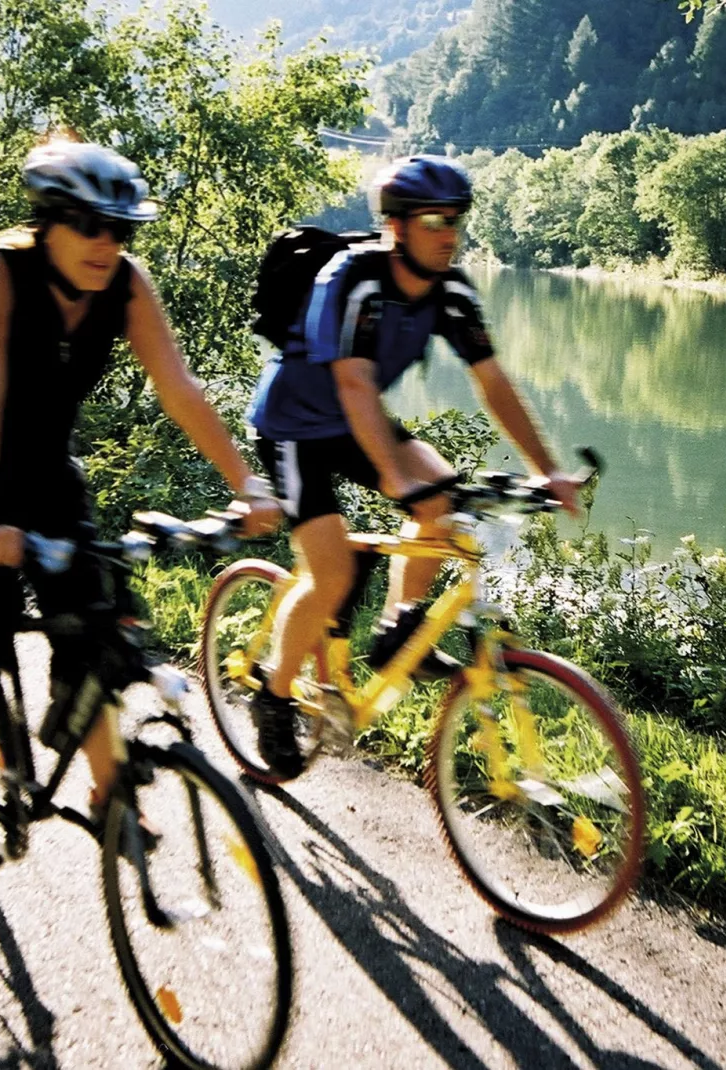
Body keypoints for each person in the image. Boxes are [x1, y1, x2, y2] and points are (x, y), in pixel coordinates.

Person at [0, 140, 282, 806]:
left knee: (93, 619)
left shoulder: (126, 284)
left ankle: (112, 804)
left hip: (41, 464)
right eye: (89, 224)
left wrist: (245, 484)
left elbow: (179, 389)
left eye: (121, 228)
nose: (107, 243)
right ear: (48, 218)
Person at [244, 154, 580, 778]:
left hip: (354, 421)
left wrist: (549, 470)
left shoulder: (450, 289)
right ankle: (274, 694)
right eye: (433, 219)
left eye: (456, 218)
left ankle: (397, 627)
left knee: (444, 500)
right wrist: (398, 479)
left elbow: (494, 381)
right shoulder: (354, 279)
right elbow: (352, 382)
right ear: (396, 225)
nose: (448, 232)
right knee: (331, 572)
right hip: (294, 426)